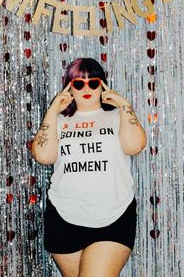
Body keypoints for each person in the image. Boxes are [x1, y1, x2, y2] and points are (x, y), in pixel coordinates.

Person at [31, 58, 147, 277]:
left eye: (93, 83)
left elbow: (135, 146)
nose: (86, 88)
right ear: (68, 86)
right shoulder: (58, 121)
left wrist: (124, 105)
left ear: (102, 85)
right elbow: (43, 156)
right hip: (64, 217)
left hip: (114, 216)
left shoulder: (116, 116)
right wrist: (54, 108)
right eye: (78, 84)